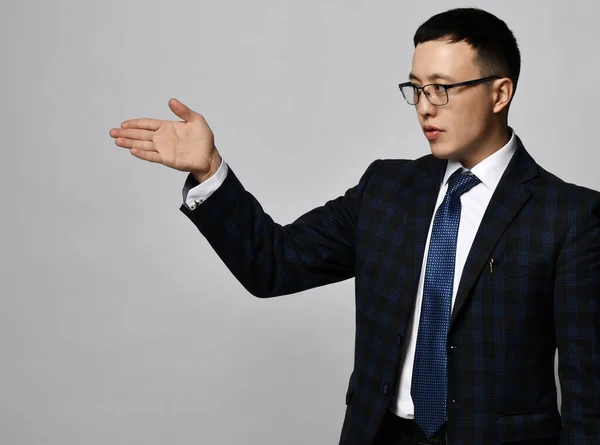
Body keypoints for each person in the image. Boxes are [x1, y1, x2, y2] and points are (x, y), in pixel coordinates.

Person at [109, 7, 600, 445]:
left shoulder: (569, 217)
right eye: (417, 88)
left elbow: (588, 395)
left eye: (443, 89)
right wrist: (209, 170)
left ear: (500, 93)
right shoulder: (386, 188)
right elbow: (273, 265)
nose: (426, 106)